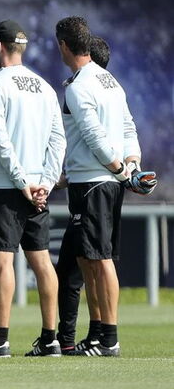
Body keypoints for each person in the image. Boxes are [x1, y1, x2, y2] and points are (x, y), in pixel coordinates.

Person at [0, 20, 65, 358]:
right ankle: (51, 338)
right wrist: (46, 184)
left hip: (7, 186)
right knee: (41, 263)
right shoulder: (45, 87)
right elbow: (58, 140)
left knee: (1, 265)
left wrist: (22, 182)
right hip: (39, 187)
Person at [57, 17, 145, 357]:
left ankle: (109, 337)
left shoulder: (79, 86)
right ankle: (96, 333)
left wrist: (122, 169)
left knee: (100, 259)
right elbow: (128, 127)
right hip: (101, 178)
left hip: (95, 181)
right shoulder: (109, 80)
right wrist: (132, 163)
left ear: (65, 45)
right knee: (87, 258)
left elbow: (95, 135)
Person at [56, 35, 110, 353]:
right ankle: (89, 336)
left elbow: (90, 139)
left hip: (91, 187)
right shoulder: (108, 93)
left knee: (84, 267)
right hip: (92, 184)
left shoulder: (85, 90)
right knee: (82, 266)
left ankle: (90, 337)